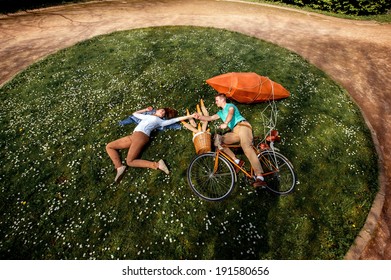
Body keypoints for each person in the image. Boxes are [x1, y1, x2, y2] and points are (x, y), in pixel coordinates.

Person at [106, 106, 196, 183]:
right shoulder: (147, 116)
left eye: (164, 114)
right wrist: (145, 109)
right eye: (162, 110)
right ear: (157, 110)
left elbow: (174, 120)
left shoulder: (160, 121)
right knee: (109, 146)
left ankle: (157, 165)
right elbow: (135, 114)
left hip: (141, 137)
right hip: (134, 136)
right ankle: (119, 167)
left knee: (130, 161)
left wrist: (191, 116)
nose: (162, 112)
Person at [194, 94, 266, 187]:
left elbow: (230, 114)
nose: (215, 102)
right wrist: (199, 117)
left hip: (243, 126)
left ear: (223, 100)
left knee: (246, 147)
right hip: (235, 132)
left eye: (217, 100)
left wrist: (226, 123)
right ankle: (237, 161)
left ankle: (260, 176)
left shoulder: (230, 106)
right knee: (218, 141)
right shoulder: (220, 112)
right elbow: (211, 118)